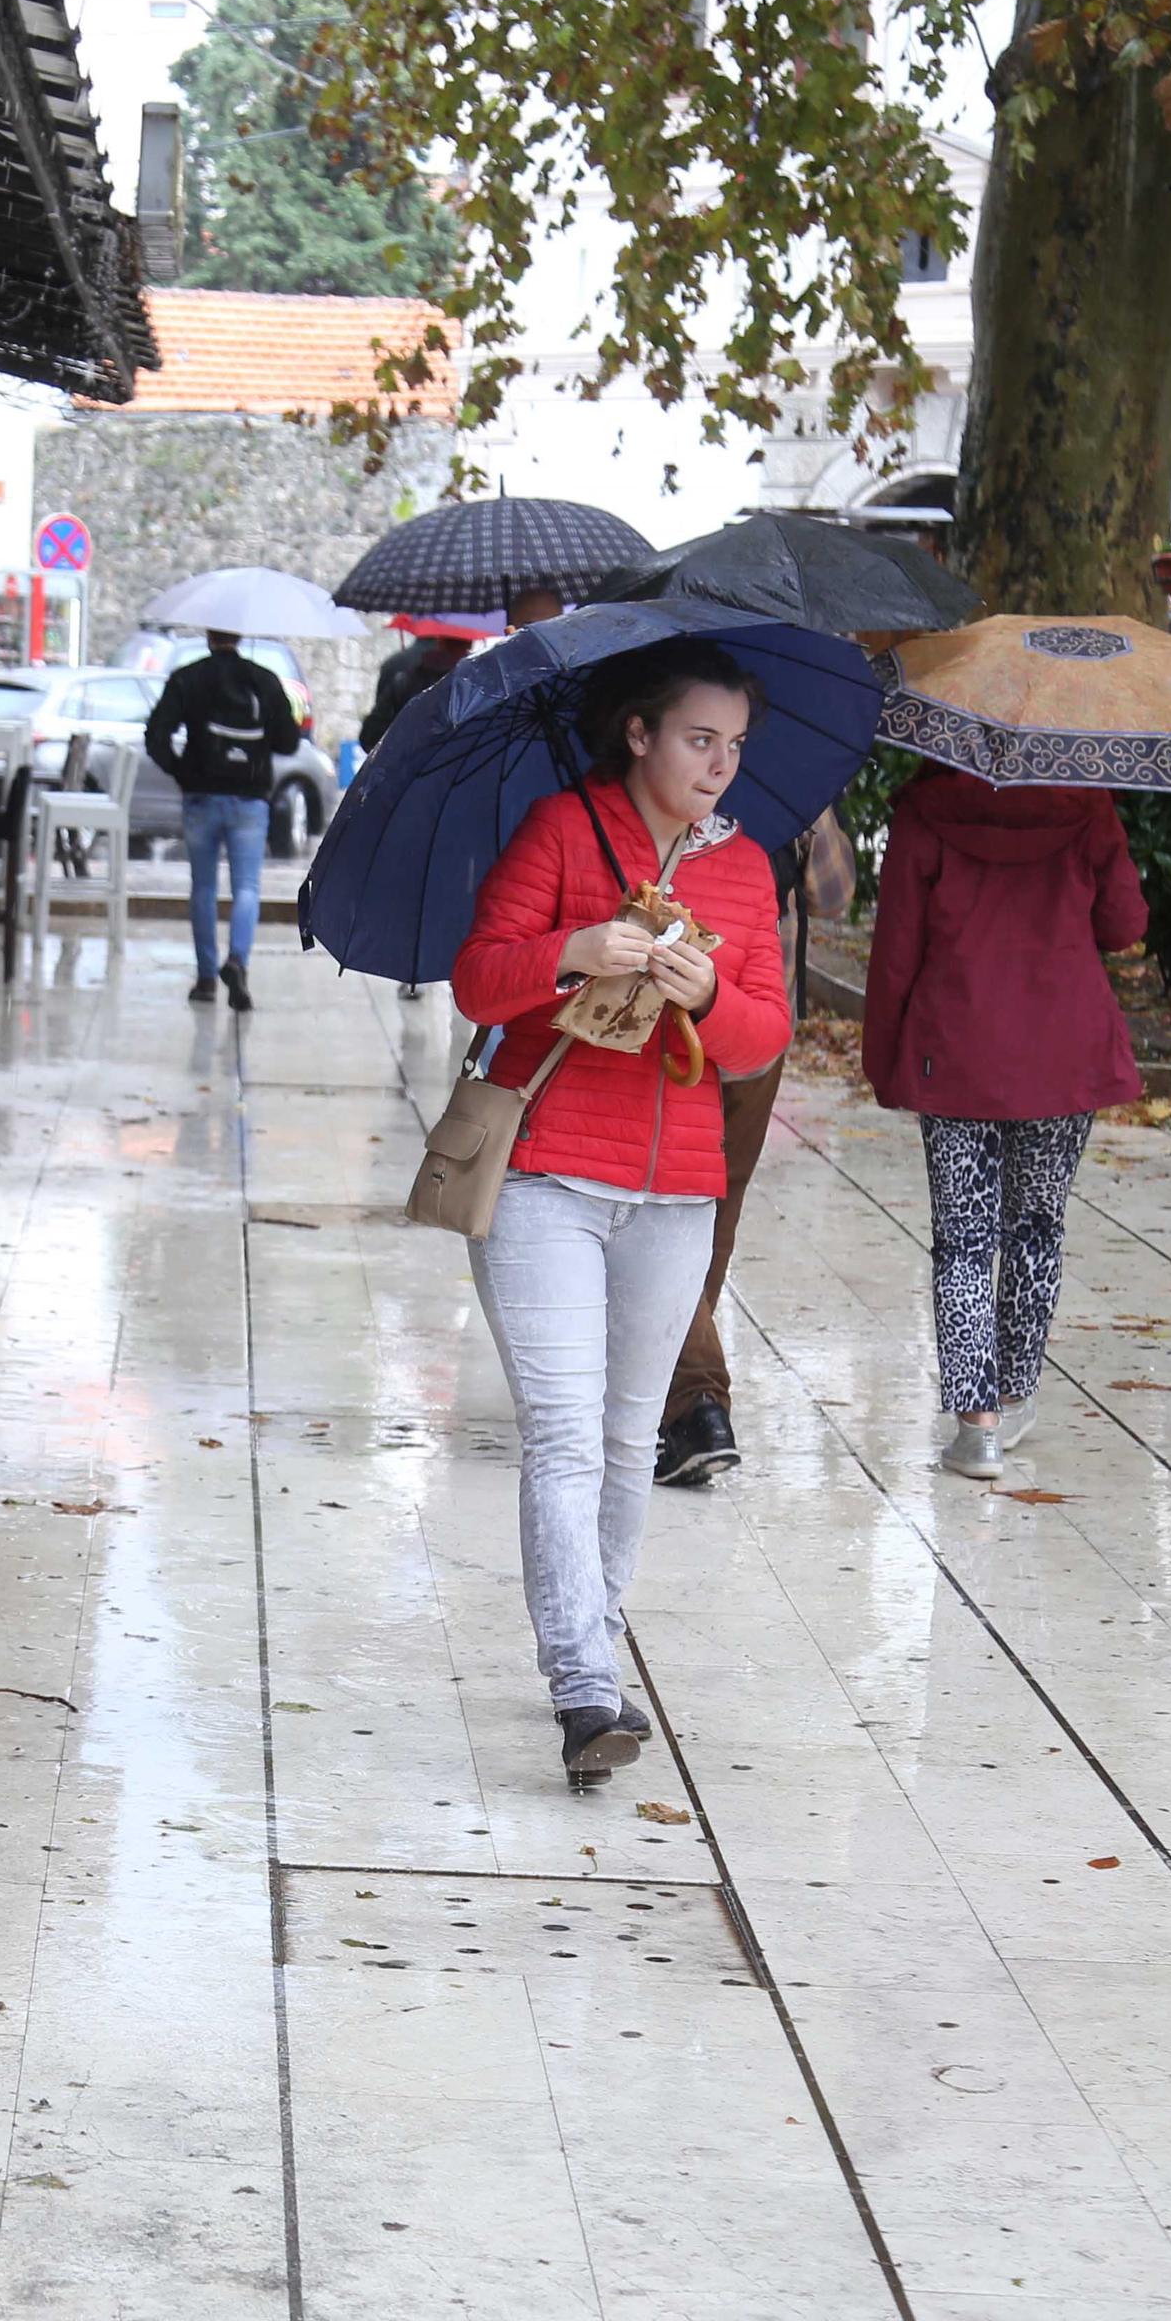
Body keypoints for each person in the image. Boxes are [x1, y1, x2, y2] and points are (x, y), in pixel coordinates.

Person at [449, 637, 788, 1784]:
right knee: (559, 1426)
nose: (720, 765)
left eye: (736, 746)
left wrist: (712, 994)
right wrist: (575, 949)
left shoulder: (745, 872)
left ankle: (595, 1638)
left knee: (627, 1431)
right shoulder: (561, 833)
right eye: (700, 739)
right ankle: (586, 1685)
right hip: (546, 1172)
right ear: (639, 734)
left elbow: (763, 1040)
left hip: (677, 1188)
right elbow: (480, 978)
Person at [862, 764, 1149, 1480]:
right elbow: (1125, 926)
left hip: (955, 1051)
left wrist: (882, 1061)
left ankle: (977, 1427)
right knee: (1037, 1227)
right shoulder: (1087, 805)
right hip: (1065, 1054)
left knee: (962, 1242)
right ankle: (1017, 1394)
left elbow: (896, 951)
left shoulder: (924, 808)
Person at [143, 627, 307, 1011]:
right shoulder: (263, 680)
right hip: (249, 799)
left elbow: (156, 734)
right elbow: (288, 742)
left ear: (208, 636)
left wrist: (183, 771)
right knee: (247, 887)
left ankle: (204, 978)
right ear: (240, 636)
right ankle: (237, 961)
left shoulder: (188, 677)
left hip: (201, 796)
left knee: (202, 888)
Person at [358, 630, 471, 753]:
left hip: (403, 765)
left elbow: (371, 736)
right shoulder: (474, 686)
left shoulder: (401, 674)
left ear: (440, 641)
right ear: (469, 644)